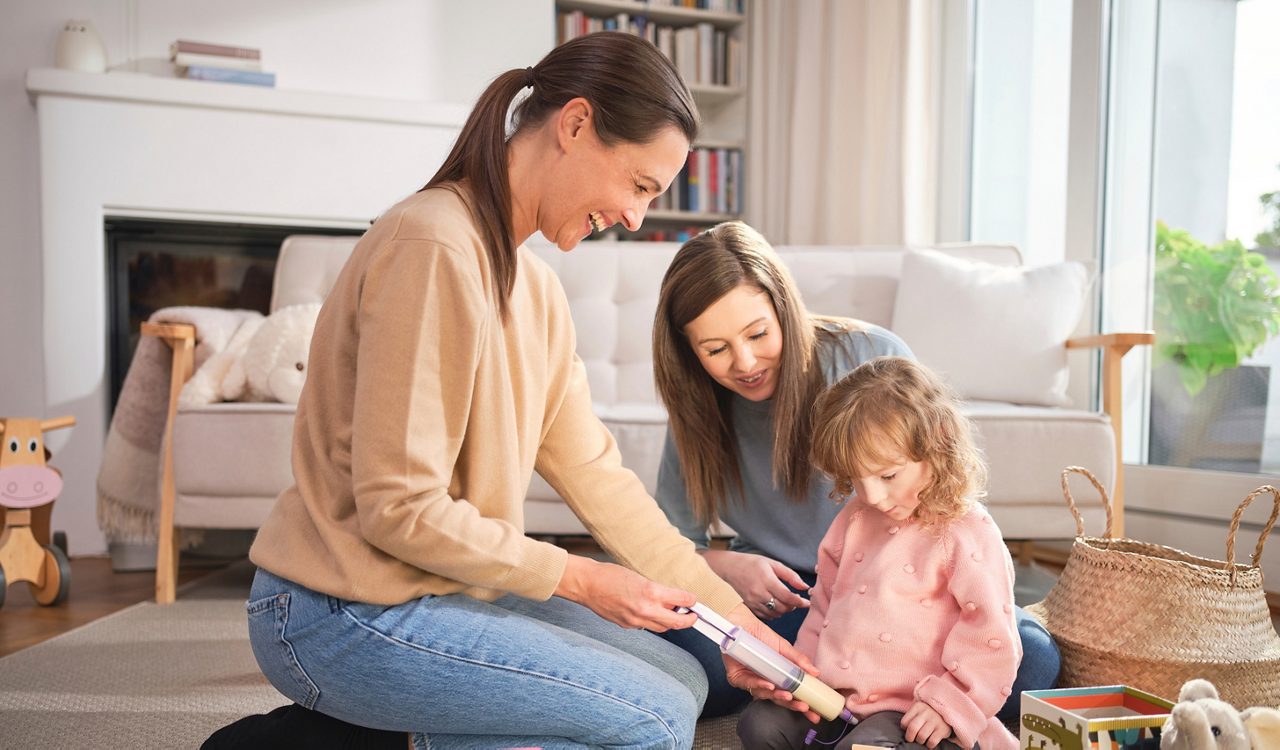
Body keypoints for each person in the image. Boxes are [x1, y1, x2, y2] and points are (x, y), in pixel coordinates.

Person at [229, 33, 815, 750]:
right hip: (344, 607)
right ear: (574, 125)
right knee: (652, 719)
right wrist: (583, 581)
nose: (636, 219)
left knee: (684, 679)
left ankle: (384, 736)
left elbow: (599, 480)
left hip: (443, 587)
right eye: (638, 186)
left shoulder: (535, 288)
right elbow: (397, 509)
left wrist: (738, 628)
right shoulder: (433, 246)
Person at [651, 221, 1059, 720]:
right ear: (689, 352)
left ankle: (893, 706)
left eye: (758, 333)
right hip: (788, 601)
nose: (745, 361)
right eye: (715, 350)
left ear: (783, 308)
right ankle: (887, 701)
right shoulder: (696, 411)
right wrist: (728, 567)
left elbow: (940, 490)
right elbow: (664, 548)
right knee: (699, 673)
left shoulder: (870, 356)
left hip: (904, 591)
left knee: (1033, 655)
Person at [736, 356, 1020, 750]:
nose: (871, 495)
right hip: (834, 698)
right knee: (759, 725)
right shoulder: (854, 519)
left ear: (936, 442)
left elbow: (991, 637)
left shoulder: (966, 530)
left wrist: (949, 705)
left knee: (864, 747)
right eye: (856, 478)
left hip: (908, 708)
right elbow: (823, 608)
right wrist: (802, 676)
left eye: (887, 475)